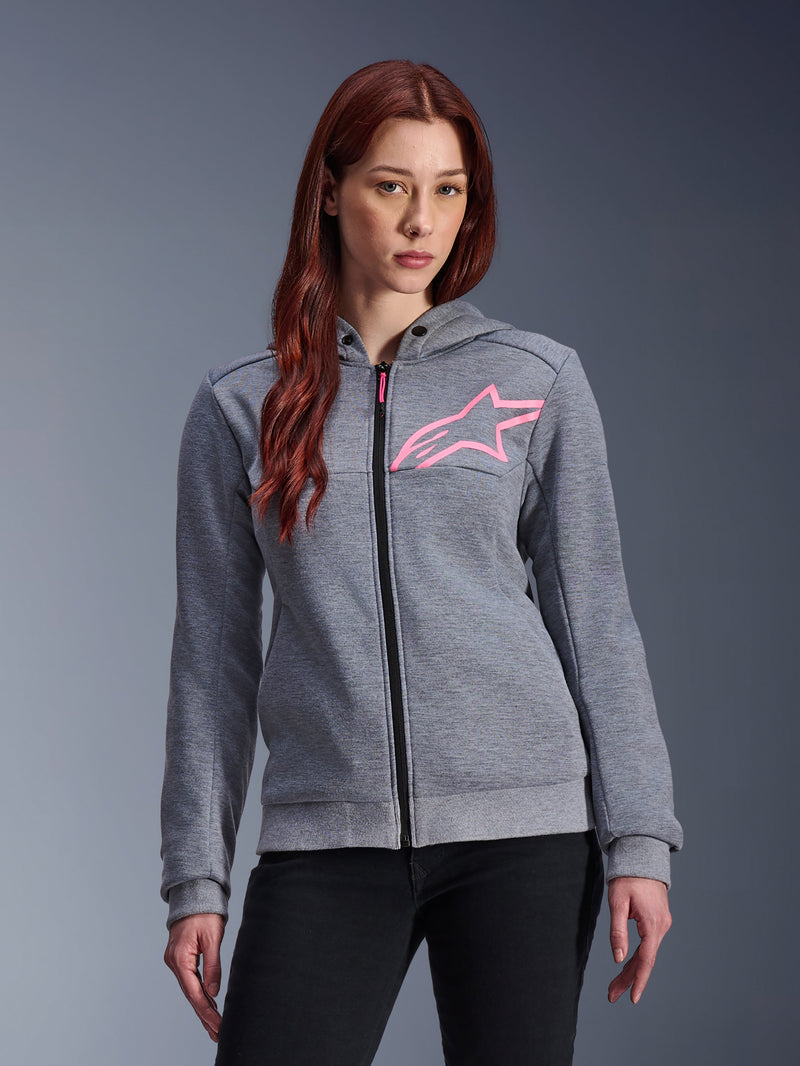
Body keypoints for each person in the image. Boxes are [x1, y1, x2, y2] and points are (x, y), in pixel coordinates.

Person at [160, 58, 684, 1065]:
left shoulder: (535, 381)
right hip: (326, 835)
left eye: (447, 191)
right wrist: (196, 880)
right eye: (391, 185)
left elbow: (596, 621)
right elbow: (211, 664)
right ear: (330, 190)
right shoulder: (241, 407)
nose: (421, 221)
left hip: (525, 833)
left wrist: (639, 840)